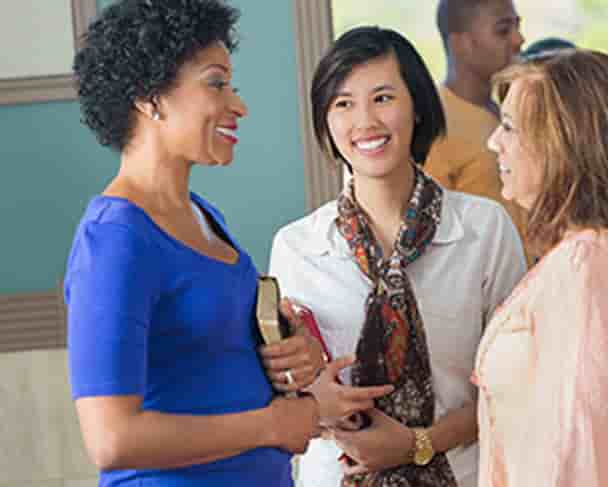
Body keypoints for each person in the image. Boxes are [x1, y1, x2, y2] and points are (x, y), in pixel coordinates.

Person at [65, 2, 390, 486]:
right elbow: (112, 439)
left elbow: (210, 363)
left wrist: (292, 352)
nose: (238, 105)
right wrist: (272, 425)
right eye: (216, 83)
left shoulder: (204, 217)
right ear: (150, 98)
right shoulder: (115, 240)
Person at [269, 26, 526, 487]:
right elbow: (283, 392)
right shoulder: (297, 247)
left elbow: (516, 387)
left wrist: (416, 444)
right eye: (343, 104)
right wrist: (314, 403)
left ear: (417, 106)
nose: (365, 121)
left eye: (383, 98)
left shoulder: (484, 229)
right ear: (325, 121)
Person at [474, 49, 608, 487]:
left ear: (565, 146)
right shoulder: (593, 257)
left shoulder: (585, 266)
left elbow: (571, 455)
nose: (494, 141)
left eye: (510, 127)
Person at [425, 0, 528, 257]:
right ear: (460, 44)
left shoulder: (507, 113)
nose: (519, 40)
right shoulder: (434, 125)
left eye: (517, 27)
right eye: (503, 30)